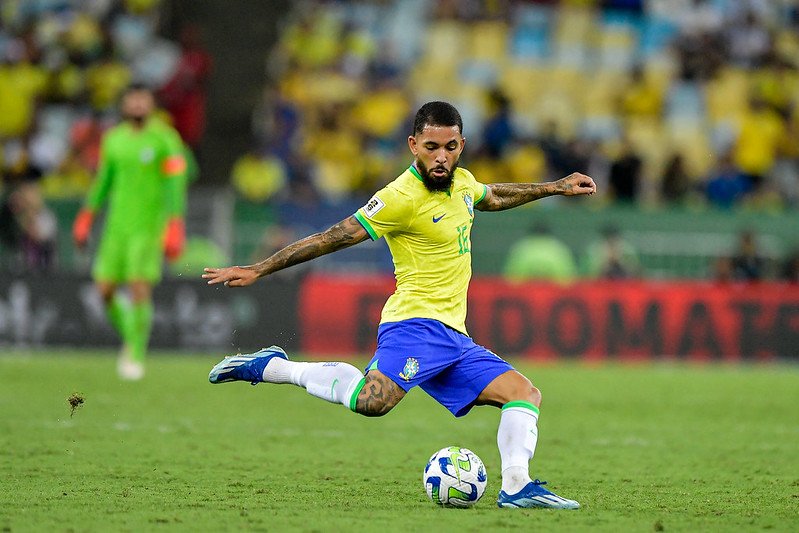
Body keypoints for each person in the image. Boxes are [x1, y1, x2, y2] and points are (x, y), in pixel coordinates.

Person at [203, 102, 596, 509]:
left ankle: (516, 486)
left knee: (524, 393)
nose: (441, 157)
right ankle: (275, 367)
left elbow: (492, 196)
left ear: (462, 145)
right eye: (431, 147)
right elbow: (334, 236)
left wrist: (554, 186)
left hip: (454, 336)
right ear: (413, 145)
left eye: (450, 146)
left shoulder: (463, 182)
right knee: (371, 402)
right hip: (414, 325)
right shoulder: (398, 198)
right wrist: (260, 268)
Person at [72, 84, 188, 380]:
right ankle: (132, 337)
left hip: (148, 227)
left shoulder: (165, 138)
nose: (137, 104)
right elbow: (104, 182)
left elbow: (176, 182)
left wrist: (175, 224)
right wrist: (86, 217)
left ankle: (135, 353)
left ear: (151, 104)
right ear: (124, 105)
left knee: (138, 286)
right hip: (116, 228)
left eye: (142, 99)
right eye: (132, 100)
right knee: (105, 291)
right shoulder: (113, 139)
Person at [503, 222, 577, 284]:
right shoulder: (560, 249)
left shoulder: (520, 248)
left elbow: (510, 279)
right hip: (555, 297)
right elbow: (569, 281)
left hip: (524, 297)